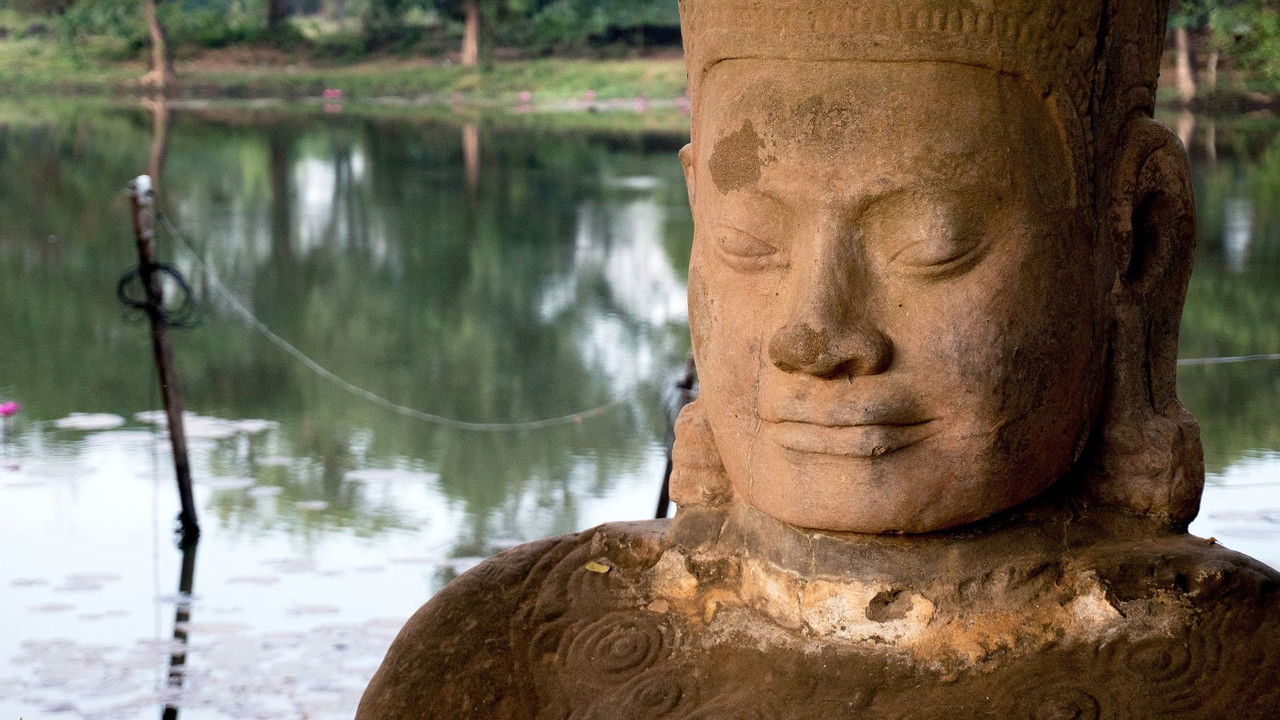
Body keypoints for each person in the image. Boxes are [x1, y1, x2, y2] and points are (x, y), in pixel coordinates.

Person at [358, 2, 1280, 717]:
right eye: (750, 241)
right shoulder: (505, 659)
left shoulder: (1247, 674)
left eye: (934, 245)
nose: (818, 336)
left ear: (1137, 244)